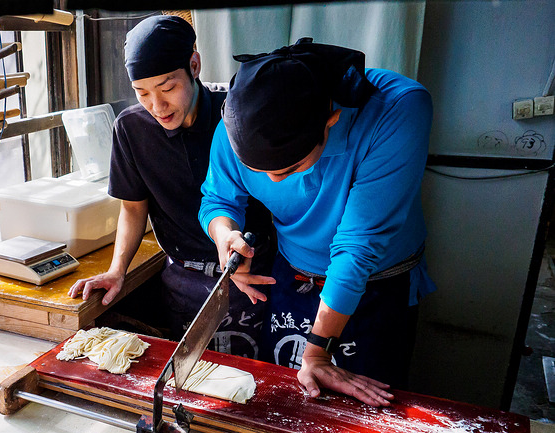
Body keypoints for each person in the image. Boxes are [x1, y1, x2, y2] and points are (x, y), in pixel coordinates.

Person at [199, 38, 436, 406]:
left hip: (377, 283)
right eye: (258, 170)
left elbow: (358, 246)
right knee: (285, 401)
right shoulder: (239, 114)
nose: (276, 182)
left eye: (291, 168)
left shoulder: (398, 109)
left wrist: (318, 352)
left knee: (365, 414)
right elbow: (218, 198)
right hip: (293, 274)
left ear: (331, 121)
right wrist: (225, 234)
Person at [67, 14, 275, 359]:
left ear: (194, 64)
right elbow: (133, 207)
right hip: (183, 278)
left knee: (260, 382)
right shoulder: (131, 129)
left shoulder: (236, 114)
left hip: (253, 272)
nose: (157, 106)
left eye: (168, 88)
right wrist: (118, 270)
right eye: (142, 92)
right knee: (196, 383)